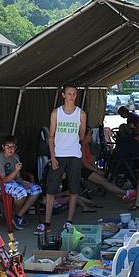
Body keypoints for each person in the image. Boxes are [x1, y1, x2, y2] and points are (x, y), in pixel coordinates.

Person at [38, 84, 86, 233]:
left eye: (74, 94)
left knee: (73, 189)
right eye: (69, 93)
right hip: (58, 154)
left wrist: (72, 143)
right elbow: (51, 137)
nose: (72, 96)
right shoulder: (56, 113)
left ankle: (69, 221)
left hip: (74, 155)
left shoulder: (81, 114)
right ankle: (47, 223)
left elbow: (82, 136)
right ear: (63, 95)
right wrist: (52, 156)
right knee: (51, 190)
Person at [0, 136, 42, 230]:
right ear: (3, 147)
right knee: (22, 193)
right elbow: (4, 180)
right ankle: (13, 215)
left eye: (13, 147)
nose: (11, 150)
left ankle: (17, 216)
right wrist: (15, 170)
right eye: (8, 147)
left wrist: (22, 182)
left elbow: (17, 176)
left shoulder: (16, 157)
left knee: (36, 189)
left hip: (13, 183)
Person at [80, 127, 136, 203]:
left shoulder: (87, 145)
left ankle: (123, 195)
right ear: (84, 136)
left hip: (88, 168)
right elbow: (84, 163)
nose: (91, 137)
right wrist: (96, 170)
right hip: (82, 169)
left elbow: (91, 161)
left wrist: (96, 169)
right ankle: (126, 193)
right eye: (90, 135)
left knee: (103, 183)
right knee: (103, 182)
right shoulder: (81, 146)